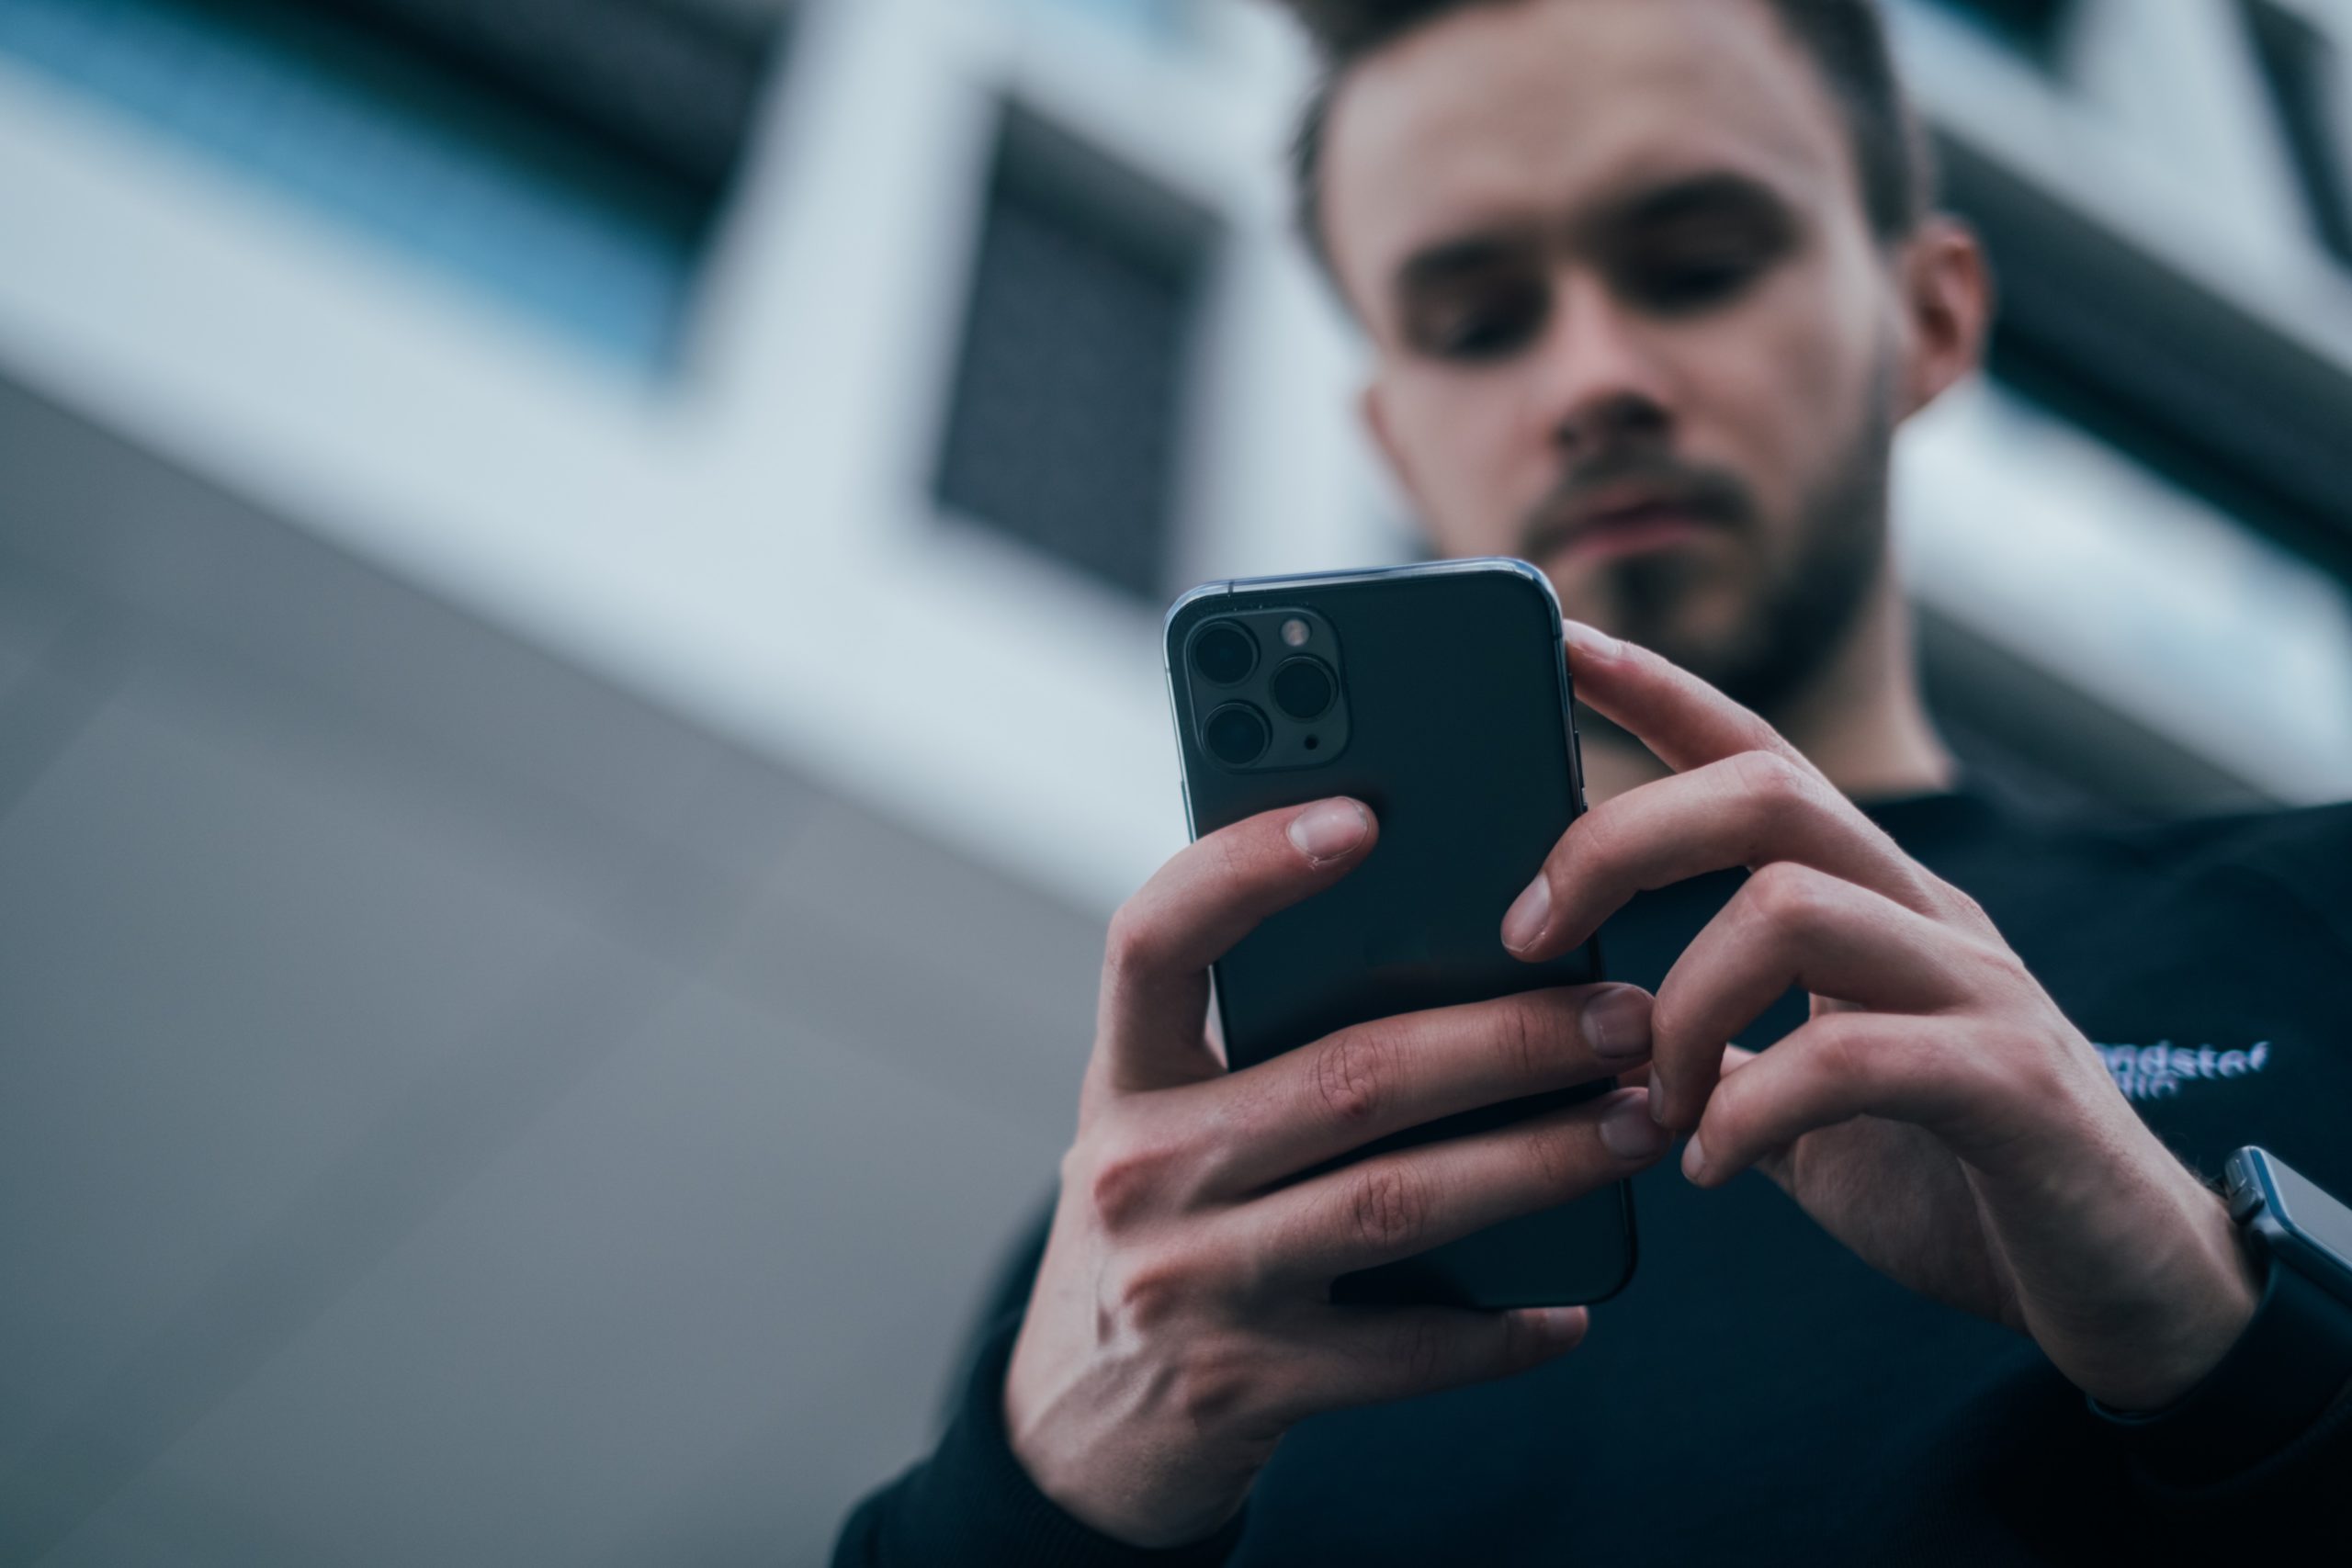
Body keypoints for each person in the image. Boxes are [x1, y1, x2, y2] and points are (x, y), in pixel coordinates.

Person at [835, 1, 2352, 1560]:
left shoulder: (2321, 921)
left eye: (1697, 266)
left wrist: (2224, 1323)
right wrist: (1040, 1496)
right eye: (1479, 322)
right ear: (1396, 444)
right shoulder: (1190, 1219)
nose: (1595, 377)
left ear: (1931, 316)